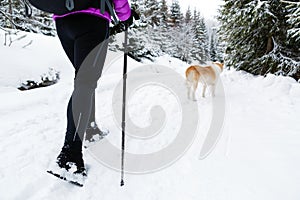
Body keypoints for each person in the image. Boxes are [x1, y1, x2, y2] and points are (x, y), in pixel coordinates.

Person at [53, 0, 133, 175]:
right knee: (85, 82)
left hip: (62, 21)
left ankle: (90, 128)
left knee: (83, 80)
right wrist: (126, 16)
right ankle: (70, 156)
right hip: (91, 21)